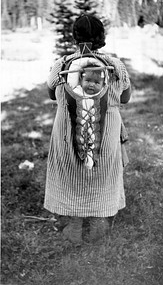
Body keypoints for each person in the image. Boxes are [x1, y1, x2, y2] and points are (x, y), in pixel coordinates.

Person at [44, 14, 131, 245]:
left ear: (75, 37)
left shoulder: (61, 64)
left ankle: (74, 221)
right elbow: (125, 97)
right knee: (101, 172)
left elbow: (51, 93)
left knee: (71, 172)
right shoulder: (115, 65)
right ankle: (99, 218)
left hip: (68, 129)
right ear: (102, 37)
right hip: (105, 129)